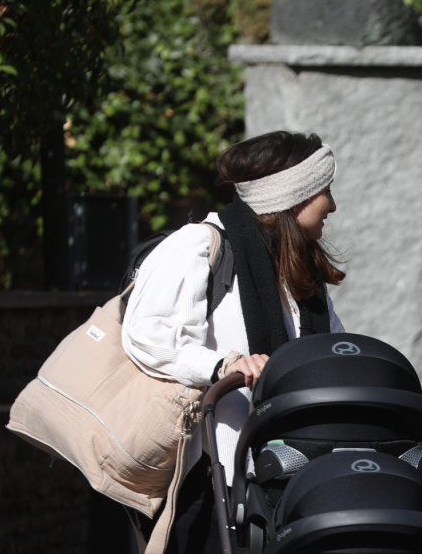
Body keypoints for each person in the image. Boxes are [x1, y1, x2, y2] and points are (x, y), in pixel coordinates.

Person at [122, 130, 347, 552]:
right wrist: (223, 366)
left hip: (293, 475)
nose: (332, 205)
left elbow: (331, 350)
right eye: (324, 190)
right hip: (215, 479)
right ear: (293, 195)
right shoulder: (200, 245)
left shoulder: (300, 269)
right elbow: (147, 334)